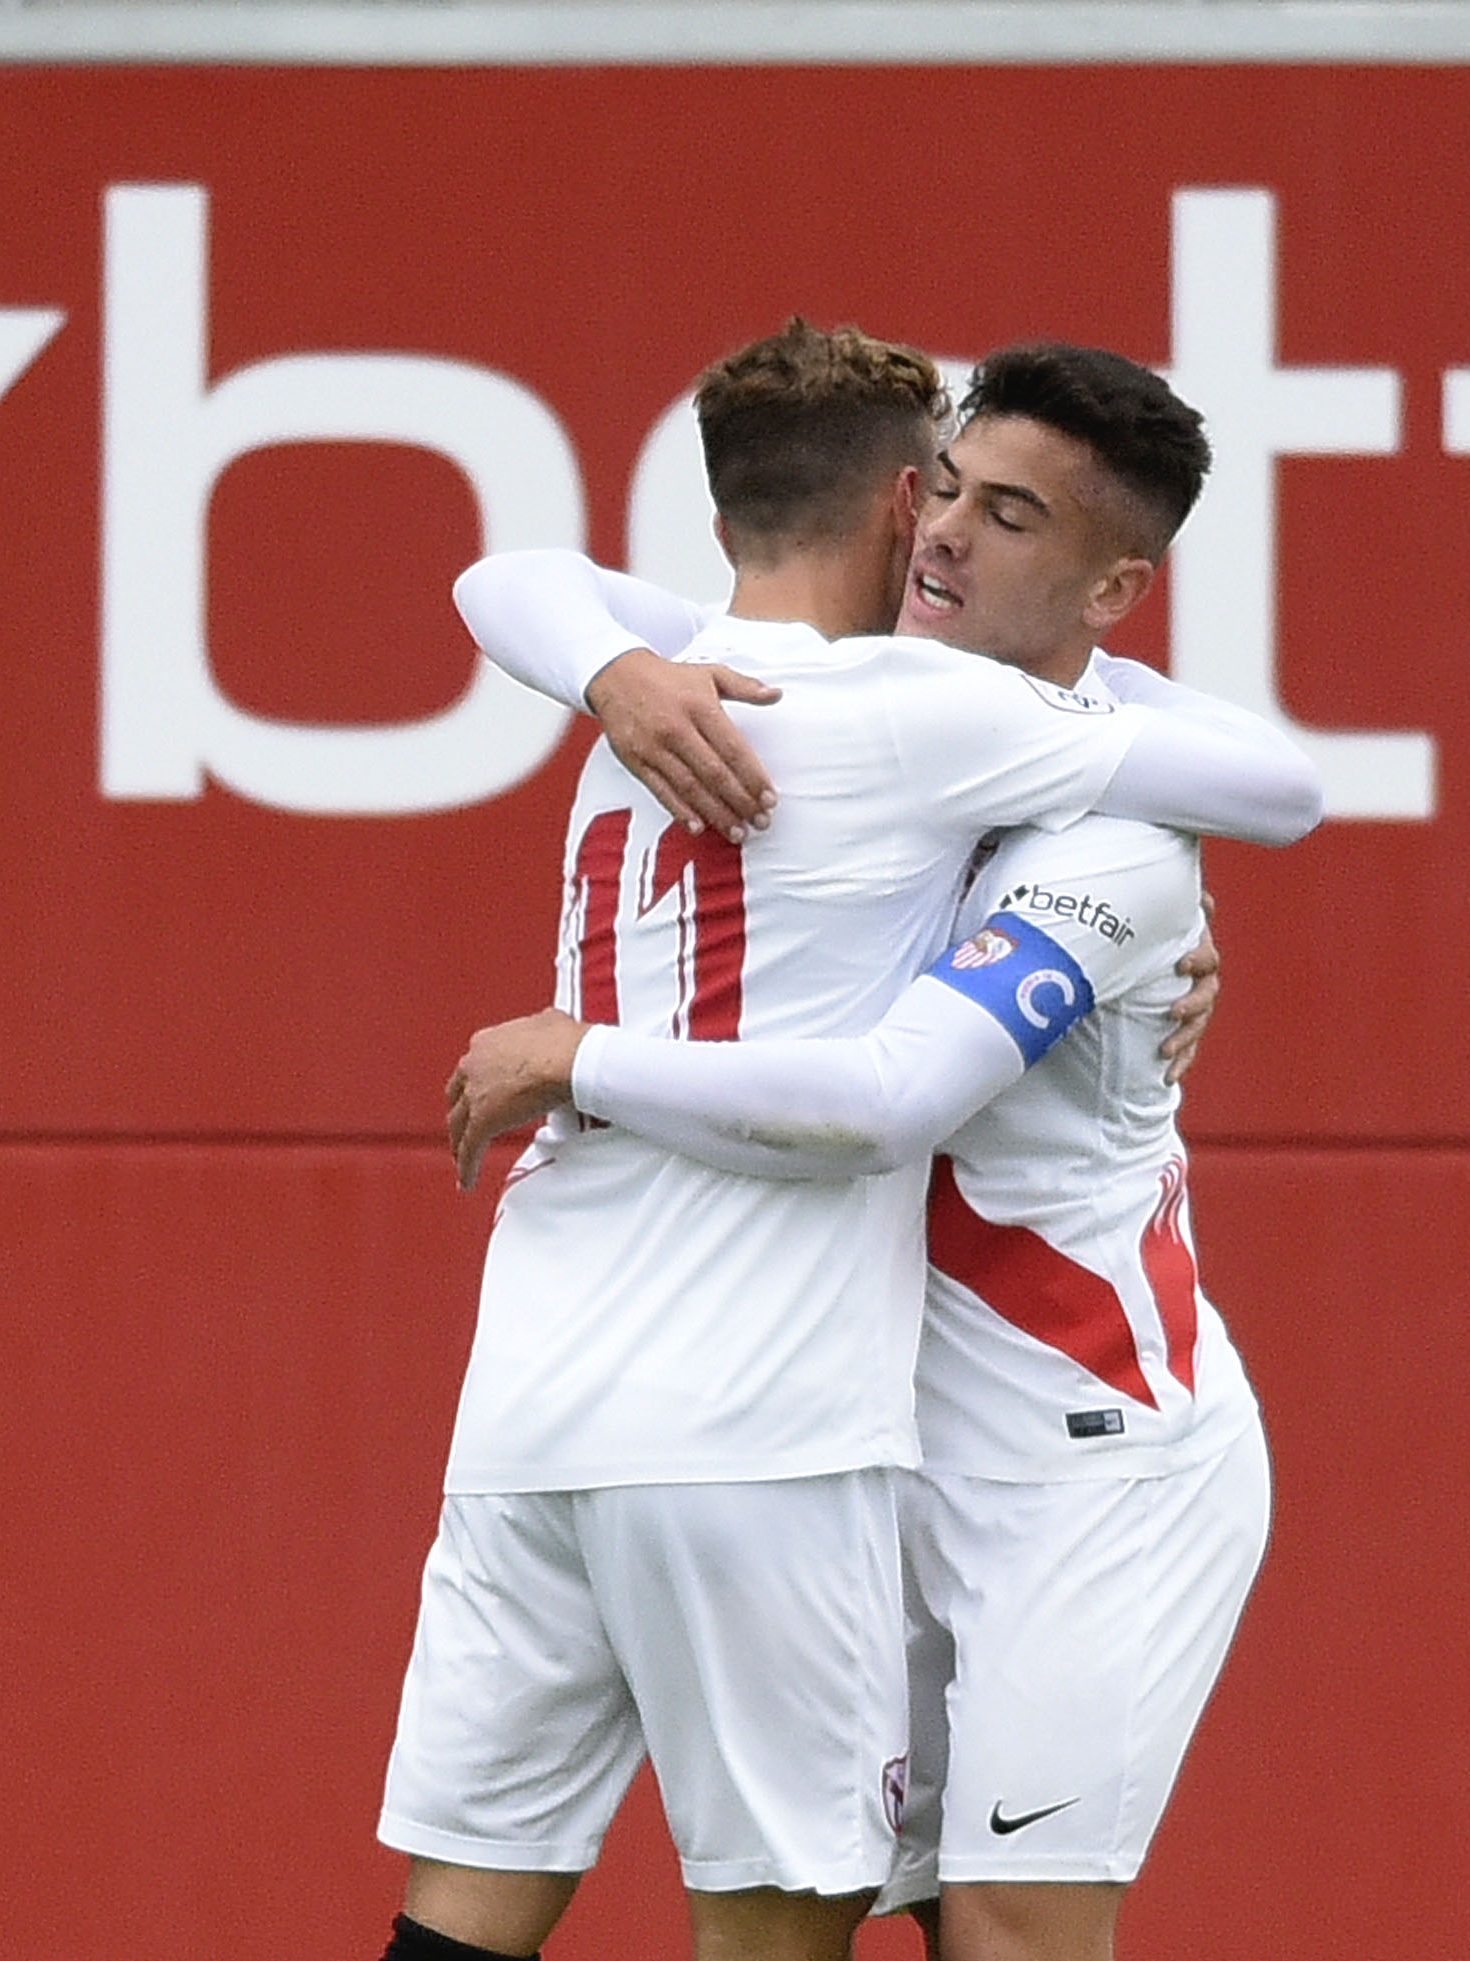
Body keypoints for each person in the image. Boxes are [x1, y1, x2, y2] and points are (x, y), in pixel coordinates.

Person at [382, 325, 1321, 1961]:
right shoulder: (833, 686)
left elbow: (899, 1089)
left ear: (1112, 593)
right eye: (949, 487)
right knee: (807, 1906)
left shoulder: (1107, 813)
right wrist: (612, 671)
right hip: (869, 1418)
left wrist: (581, 1056)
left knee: (1004, 1927)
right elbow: (511, 579)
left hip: (1078, 1439)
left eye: (1012, 519)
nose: (951, 532)